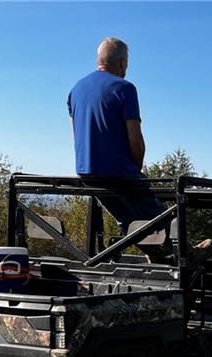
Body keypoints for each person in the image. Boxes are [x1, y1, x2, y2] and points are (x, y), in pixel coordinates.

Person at [68, 37, 167, 260]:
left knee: (126, 218)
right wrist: (136, 168)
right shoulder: (125, 88)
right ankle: (186, 252)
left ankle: (155, 253)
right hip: (118, 171)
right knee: (160, 215)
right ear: (121, 62)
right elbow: (135, 139)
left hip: (86, 171)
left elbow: (76, 134)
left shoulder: (76, 90)